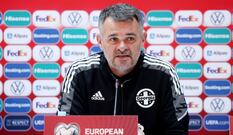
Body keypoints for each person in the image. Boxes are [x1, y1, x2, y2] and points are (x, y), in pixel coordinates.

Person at [58, 3, 189, 135]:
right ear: (100, 41)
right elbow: (64, 128)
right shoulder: (79, 73)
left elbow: (178, 130)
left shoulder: (164, 73)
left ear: (143, 38)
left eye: (130, 38)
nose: (122, 47)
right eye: (113, 39)